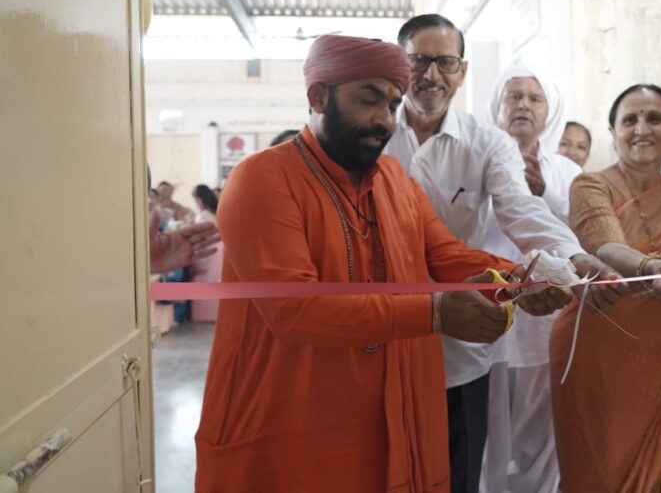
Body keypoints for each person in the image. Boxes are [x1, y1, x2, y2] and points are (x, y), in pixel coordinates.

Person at [194, 34, 571, 493]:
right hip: (290, 416)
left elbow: (444, 255)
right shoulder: (262, 178)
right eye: (368, 100)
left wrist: (521, 280)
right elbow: (294, 310)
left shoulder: (393, 179)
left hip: (386, 414)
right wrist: (436, 313)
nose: (384, 120)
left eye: (392, 104)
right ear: (319, 97)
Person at [384, 14, 623, 493]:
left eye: (445, 63)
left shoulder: (487, 143)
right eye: (419, 61)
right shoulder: (374, 136)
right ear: (399, 65)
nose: (432, 75)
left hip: (462, 339)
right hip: (384, 332)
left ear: (463, 71)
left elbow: (518, 208)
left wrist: (573, 258)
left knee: (460, 469)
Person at [550, 84, 661, 493]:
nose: (641, 129)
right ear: (613, 131)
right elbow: (602, 243)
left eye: (654, 118)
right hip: (600, 352)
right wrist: (651, 267)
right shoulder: (590, 185)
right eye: (630, 120)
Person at [480, 63, 583, 493]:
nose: (523, 105)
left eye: (534, 98)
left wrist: (546, 196)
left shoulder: (567, 173)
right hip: (488, 319)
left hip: (544, 325)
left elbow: (581, 239)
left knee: (543, 437)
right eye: (514, 95)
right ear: (498, 105)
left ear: (549, 110)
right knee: (487, 437)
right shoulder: (477, 161)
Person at [189, 184, 223, 323]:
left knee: (204, 280)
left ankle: (203, 316)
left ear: (199, 199)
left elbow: (198, 238)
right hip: (219, 252)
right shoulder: (215, 213)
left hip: (207, 251)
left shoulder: (203, 216)